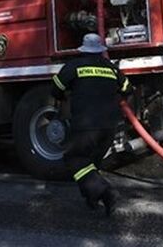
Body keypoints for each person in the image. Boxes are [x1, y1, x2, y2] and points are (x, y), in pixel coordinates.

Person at [52, 33, 132, 216]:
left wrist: (66, 97)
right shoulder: (111, 68)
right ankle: (91, 199)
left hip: (86, 126)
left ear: (83, 49)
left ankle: (106, 193)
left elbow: (56, 88)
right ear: (100, 50)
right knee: (91, 165)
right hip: (109, 127)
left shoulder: (74, 66)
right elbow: (128, 88)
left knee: (75, 160)